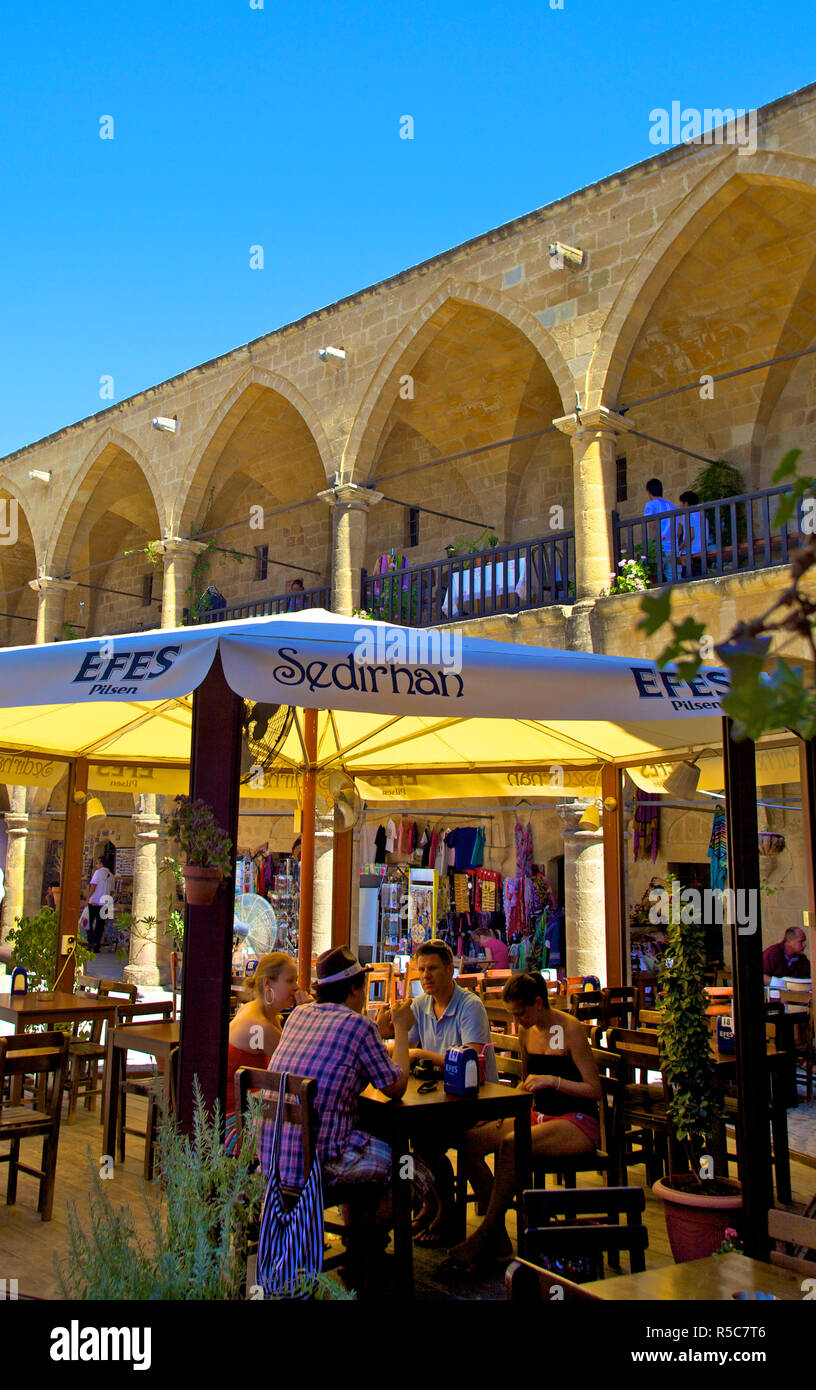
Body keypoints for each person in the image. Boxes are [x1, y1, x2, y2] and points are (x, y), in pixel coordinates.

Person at [259, 946, 435, 1228]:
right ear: (355, 988)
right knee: (409, 1168)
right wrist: (401, 1028)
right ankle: (364, 1247)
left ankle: (361, 1245)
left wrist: (379, 1033)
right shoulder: (358, 1026)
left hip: (274, 1159)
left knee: (370, 1143)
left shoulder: (298, 1016)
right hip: (320, 1164)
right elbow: (397, 1086)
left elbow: (336, 1052)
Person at [444, 970, 601, 1272]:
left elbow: (593, 1090)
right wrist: (503, 1110)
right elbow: (526, 1082)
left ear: (538, 1003)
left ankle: (487, 1232)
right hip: (535, 1114)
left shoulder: (570, 1029)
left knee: (511, 1146)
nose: (517, 1021)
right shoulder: (526, 1033)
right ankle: (499, 1236)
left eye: (521, 1013)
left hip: (576, 1120)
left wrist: (554, 1081)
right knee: (469, 1143)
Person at [378, 939, 497, 1246]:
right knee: (405, 1137)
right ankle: (431, 1202)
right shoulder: (421, 1005)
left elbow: (470, 1058)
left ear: (450, 969)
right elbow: (404, 1046)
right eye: (420, 969)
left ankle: (445, 1207)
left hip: (475, 1102)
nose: (425, 975)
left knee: (426, 1140)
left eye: (432, 968)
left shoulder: (470, 1006)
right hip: (437, 1101)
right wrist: (391, 1035)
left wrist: (421, 1055)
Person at [224, 952, 306, 1155]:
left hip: (244, 1112)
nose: (296, 987)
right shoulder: (259, 1028)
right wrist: (306, 1015)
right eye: (290, 981)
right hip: (232, 1124)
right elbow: (301, 1067)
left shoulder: (257, 1013)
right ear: (268, 983)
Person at [644, 477, 681, 580]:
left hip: (660, 548)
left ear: (649, 492)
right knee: (675, 579)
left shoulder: (651, 505)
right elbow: (679, 530)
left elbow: (651, 525)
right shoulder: (673, 506)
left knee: (655, 579)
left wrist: (652, 545)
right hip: (674, 548)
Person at [86, 856, 115, 952]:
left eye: (97, 863)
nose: (96, 865)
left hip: (95, 902)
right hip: (105, 903)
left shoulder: (98, 873)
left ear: (101, 863)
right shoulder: (111, 876)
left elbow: (93, 885)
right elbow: (111, 891)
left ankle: (91, 942)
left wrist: (88, 898)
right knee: (100, 925)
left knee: (88, 923)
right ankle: (96, 945)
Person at [678, 489, 706, 577]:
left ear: (685, 503)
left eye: (681, 503)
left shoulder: (688, 514)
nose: (681, 506)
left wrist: (679, 548)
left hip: (691, 552)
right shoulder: (702, 515)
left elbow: (691, 535)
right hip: (702, 550)